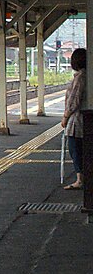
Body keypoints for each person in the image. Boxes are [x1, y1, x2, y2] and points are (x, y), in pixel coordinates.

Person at [62, 47, 85, 190]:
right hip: (80, 119)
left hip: (76, 121)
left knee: (75, 149)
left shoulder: (80, 77)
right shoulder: (85, 76)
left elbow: (73, 100)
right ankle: (81, 178)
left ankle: (80, 179)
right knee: (79, 149)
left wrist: (65, 117)